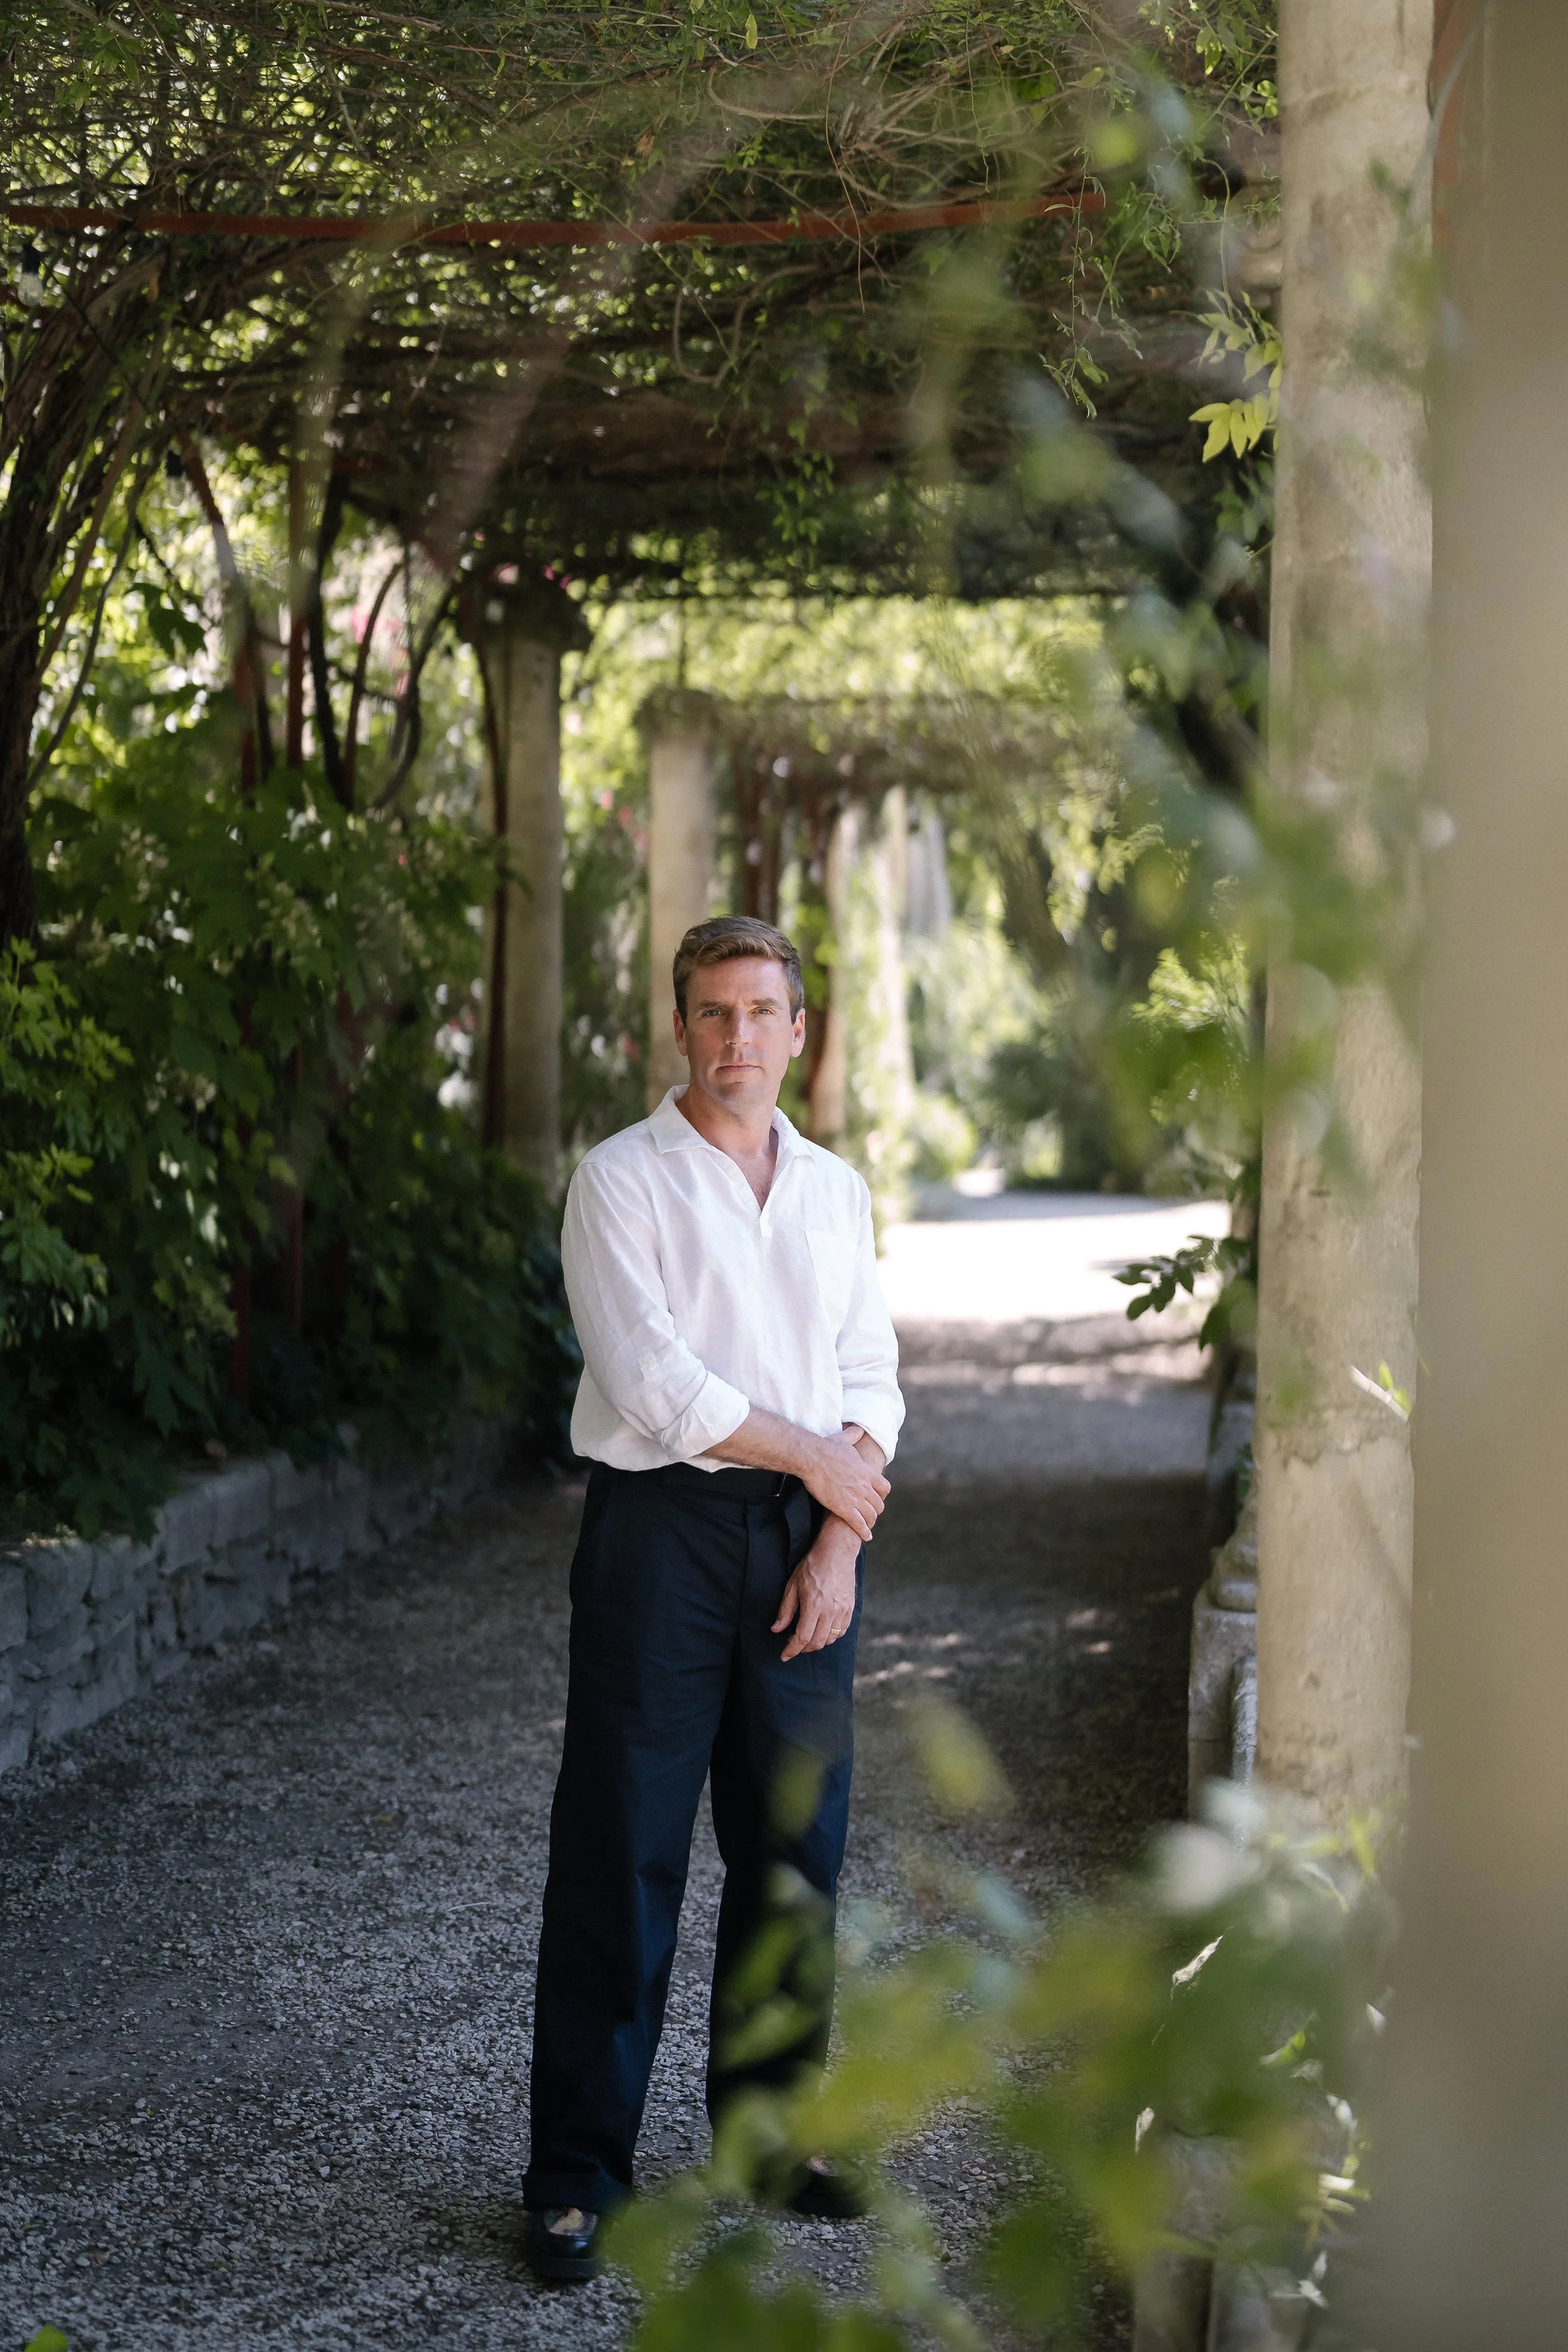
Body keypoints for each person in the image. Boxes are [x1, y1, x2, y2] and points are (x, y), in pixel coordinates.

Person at [522, 914, 904, 2284]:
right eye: (712, 1012)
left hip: (806, 1538)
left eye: (760, 1012)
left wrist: (838, 1541)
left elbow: (870, 1380)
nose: (737, 1036)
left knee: (796, 1847)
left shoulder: (836, 1191)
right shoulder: (620, 1180)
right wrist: (817, 1461)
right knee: (622, 1846)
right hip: (662, 1536)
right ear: (679, 1027)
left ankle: (769, 2134)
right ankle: (577, 2175)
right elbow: (654, 1387)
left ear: (799, 1031)